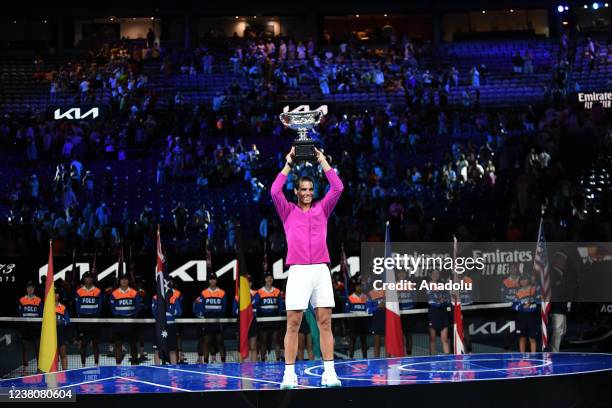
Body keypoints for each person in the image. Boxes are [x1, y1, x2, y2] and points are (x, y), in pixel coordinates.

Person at [271, 146, 344, 389]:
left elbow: (338, 187)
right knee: (293, 323)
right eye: (303, 189)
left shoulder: (322, 209)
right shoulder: (288, 211)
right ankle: (289, 375)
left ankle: (329, 373)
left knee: (325, 323)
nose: (308, 193)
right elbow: (274, 190)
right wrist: (288, 163)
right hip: (299, 271)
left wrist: (322, 159)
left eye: (311, 189)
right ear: (296, 191)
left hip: (321, 271)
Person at [193, 273, 227, 363]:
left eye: (214, 279)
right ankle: (205, 362)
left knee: (220, 341)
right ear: (209, 281)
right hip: (207, 320)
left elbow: (224, 308)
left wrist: (218, 315)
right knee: (206, 341)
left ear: (216, 280)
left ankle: (224, 362)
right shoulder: (204, 293)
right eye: (211, 279)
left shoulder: (222, 293)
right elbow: (201, 307)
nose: (212, 281)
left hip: (218, 320)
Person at [109, 275, 143, 365]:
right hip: (119, 321)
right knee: (118, 343)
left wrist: (133, 316)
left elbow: (137, 306)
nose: (124, 281)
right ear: (119, 281)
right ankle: (118, 364)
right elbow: (112, 308)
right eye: (122, 279)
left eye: (125, 279)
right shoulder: (114, 293)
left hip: (131, 321)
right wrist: (117, 315)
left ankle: (135, 363)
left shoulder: (134, 292)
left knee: (133, 343)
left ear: (128, 281)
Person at [75, 272, 104, 366]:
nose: (88, 279)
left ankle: (96, 364)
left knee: (95, 343)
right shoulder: (79, 291)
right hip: (83, 320)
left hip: (94, 319)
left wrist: (97, 316)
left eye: (90, 278)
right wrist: (80, 316)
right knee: (83, 343)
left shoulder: (98, 291)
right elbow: (77, 306)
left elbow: (100, 305)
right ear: (84, 279)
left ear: (92, 279)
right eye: (86, 278)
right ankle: (83, 365)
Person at [151, 281, 182, 364]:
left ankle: (174, 370)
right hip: (159, 327)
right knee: (157, 350)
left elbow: (179, 312)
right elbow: (154, 313)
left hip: (170, 326)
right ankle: (157, 370)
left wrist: (169, 308)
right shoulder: (155, 298)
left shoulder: (174, 298)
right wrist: (163, 307)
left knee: (172, 350)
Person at [256, 273, 284, 361]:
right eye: (267, 278)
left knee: (276, 341)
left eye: (271, 278)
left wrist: (278, 317)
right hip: (263, 321)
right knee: (263, 341)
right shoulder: (259, 292)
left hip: (275, 320)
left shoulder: (277, 291)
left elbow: (280, 306)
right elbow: (256, 306)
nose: (269, 279)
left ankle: (278, 359)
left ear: (272, 279)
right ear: (265, 280)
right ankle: (263, 360)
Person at [232, 274, 259, 362]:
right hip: (241, 322)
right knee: (241, 345)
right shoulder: (238, 296)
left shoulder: (255, 294)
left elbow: (256, 308)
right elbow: (234, 311)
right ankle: (241, 366)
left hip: (252, 321)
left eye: (249, 282)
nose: (248, 284)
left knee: (253, 346)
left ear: (251, 283)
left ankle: (255, 366)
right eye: (246, 282)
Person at [17, 281, 42, 368]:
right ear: (26, 289)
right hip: (25, 327)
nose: (30, 289)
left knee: (38, 347)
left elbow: (41, 314)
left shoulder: (38, 300)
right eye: (28, 287)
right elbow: (20, 314)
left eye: (31, 287)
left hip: (35, 326)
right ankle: (25, 368)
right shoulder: (22, 300)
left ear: (34, 289)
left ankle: (39, 367)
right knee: (25, 348)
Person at [514, 273, 540, 353]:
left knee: (532, 337)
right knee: (522, 337)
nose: (523, 281)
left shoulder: (534, 290)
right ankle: (522, 356)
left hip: (532, 316)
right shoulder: (518, 292)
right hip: (521, 317)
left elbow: (539, 303)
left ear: (528, 280)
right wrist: (521, 307)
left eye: (525, 279)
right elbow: (514, 306)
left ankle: (533, 356)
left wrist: (531, 304)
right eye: (521, 280)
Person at [427, 270, 451, 355]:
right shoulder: (427, 285)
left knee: (444, 339)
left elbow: (448, 298)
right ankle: (433, 360)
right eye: (434, 273)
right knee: (433, 339)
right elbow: (431, 299)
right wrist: (440, 301)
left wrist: (442, 300)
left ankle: (447, 358)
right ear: (430, 275)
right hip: (433, 313)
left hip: (443, 313)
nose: (436, 275)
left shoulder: (442, 285)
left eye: (437, 273)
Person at [345, 278, 368, 359]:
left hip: (363, 321)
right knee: (352, 340)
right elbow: (347, 311)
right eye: (358, 286)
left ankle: (365, 357)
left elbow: (368, 309)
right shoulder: (350, 298)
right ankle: (351, 357)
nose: (359, 288)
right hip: (353, 322)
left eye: (360, 286)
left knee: (363, 340)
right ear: (355, 287)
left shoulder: (365, 297)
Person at [55, 287, 70, 370]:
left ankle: (65, 372)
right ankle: (54, 372)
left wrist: (60, 321)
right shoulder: (47, 308)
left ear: (59, 295)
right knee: (54, 357)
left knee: (63, 354)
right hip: (51, 335)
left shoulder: (63, 308)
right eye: (53, 293)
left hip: (61, 333)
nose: (55, 295)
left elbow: (68, 320)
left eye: (56, 293)